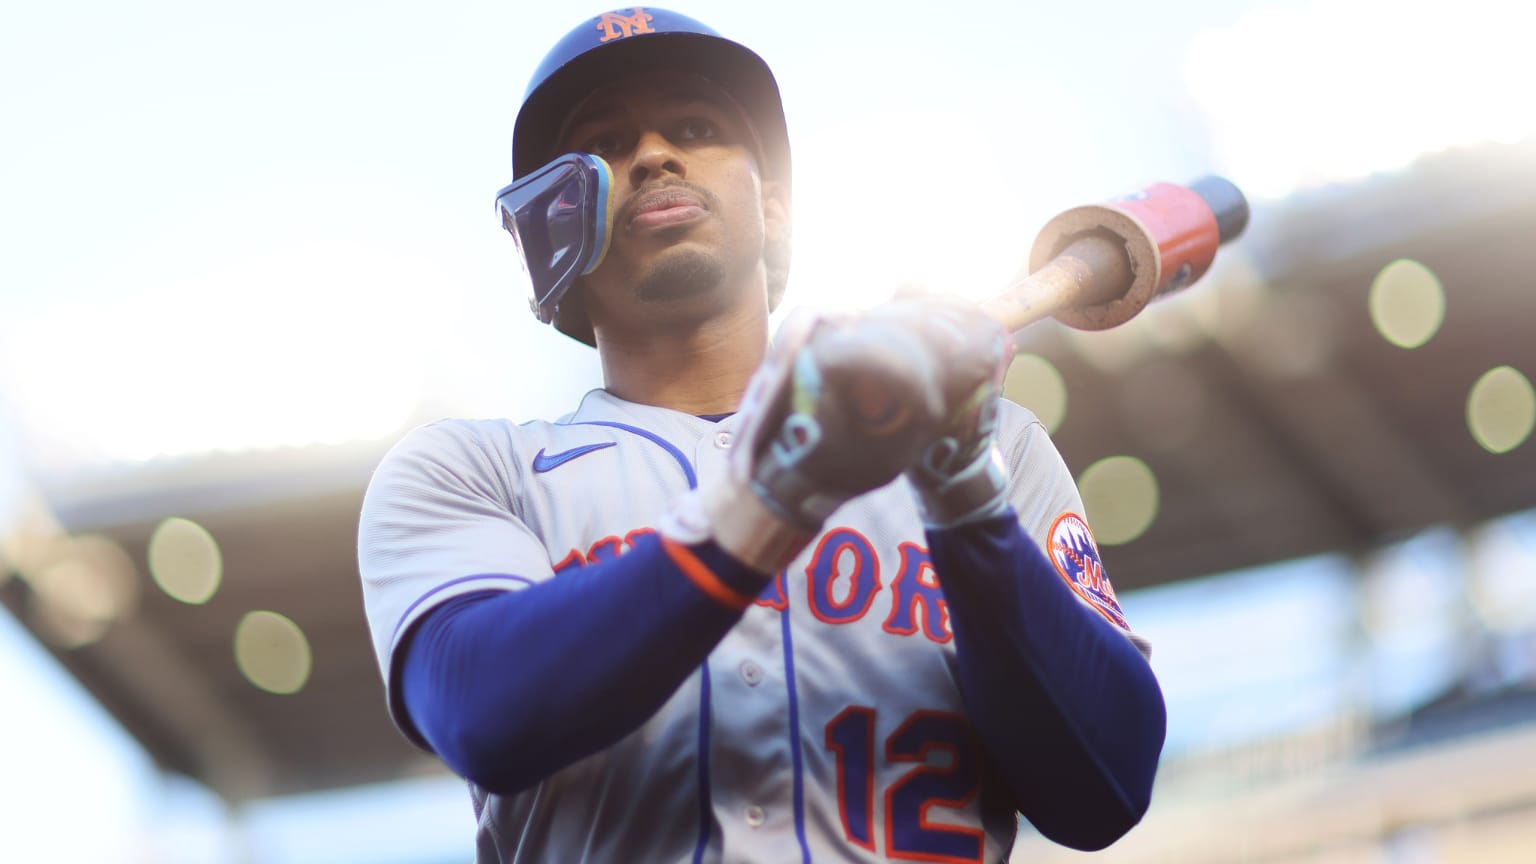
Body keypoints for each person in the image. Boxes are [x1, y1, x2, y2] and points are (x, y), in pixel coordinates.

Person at [357, 8, 1166, 863]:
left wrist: (964, 494)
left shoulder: (993, 445)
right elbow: (486, 714)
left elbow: (1104, 789)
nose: (655, 155)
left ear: (774, 209)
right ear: (553, 230)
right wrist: (771, 497)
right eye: (605, 140)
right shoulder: (475, 473)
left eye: (698, 128)